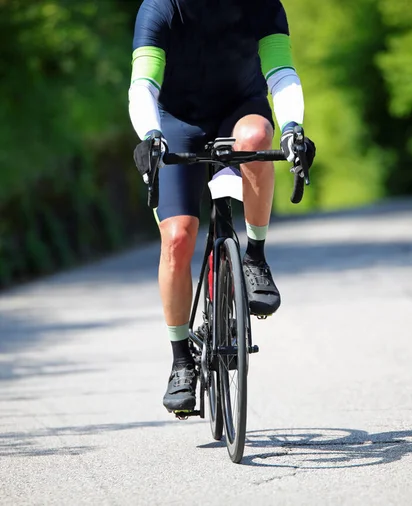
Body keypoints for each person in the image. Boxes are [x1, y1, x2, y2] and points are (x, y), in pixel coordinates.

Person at [128, 0, 315, 414]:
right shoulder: (160, 8)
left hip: (239, 111)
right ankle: (181, 360)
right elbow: (143, 84)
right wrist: (151, 134)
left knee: (254, 139)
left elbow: (280, 73)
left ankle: (255, 257)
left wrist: (292, 128)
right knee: (177, 238)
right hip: (177, 122)